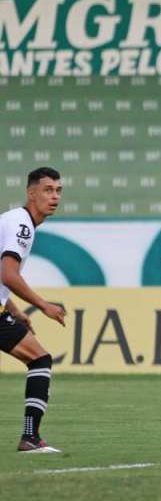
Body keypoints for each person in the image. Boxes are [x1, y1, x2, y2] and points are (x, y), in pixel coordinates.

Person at [0, 167, 67, 453]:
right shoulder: (22, 226)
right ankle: (30, 438)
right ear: (31, 193)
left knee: (39, 358)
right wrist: (44, 306)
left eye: (58, 191)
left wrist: (14, 309)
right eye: (47, 190)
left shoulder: (15, 221)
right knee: (40, 359)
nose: (54, 197)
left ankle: (30, 437)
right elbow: (9, 275)